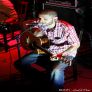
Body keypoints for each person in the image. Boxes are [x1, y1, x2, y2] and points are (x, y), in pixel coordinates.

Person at [16, 10, 80, 92]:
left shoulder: (67, 28)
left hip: (64, 52)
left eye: (45, 19)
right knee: (20, 63)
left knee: (56, 71)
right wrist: (29, 34)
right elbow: (24, 23)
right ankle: (41, 80)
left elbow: (76, 45)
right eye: (40, 18)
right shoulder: (41, 22)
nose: (41, 21)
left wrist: (61, 54)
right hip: (46, 50)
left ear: (55, 19)